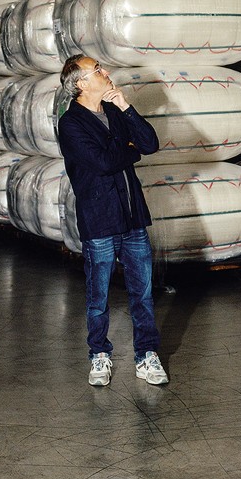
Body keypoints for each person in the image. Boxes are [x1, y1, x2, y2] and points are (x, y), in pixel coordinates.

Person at [58, 54, 168, 387]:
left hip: (132, 216)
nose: (106, 73)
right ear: (81, 83)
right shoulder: (71, 123)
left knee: (143, 295)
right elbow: (103, 162)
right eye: (97, 71)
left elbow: (150, 143)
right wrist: (129, 150)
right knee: (98, 297)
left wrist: (125, 105)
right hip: (100, 220)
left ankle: (146, 356)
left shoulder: (115, 112)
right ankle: (99, 355)